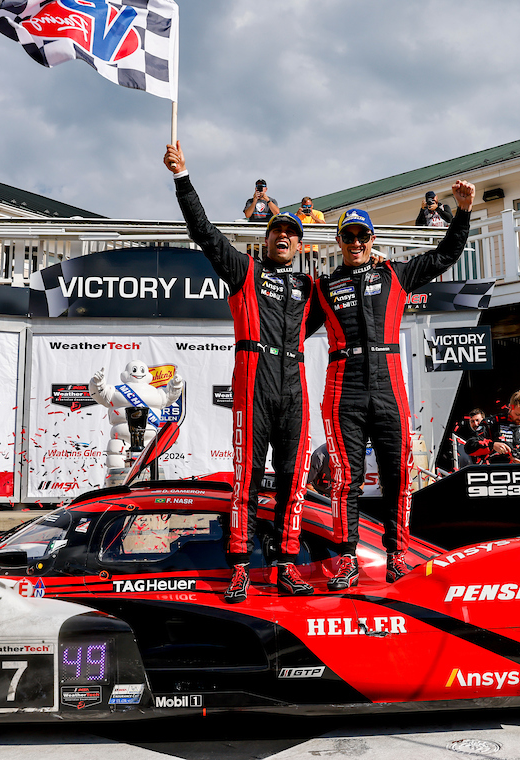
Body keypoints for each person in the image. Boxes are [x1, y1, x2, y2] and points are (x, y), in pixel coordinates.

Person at [165, 142, 315, 602]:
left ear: (300, 243)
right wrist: (182, 178)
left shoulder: (311, 287)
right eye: (276, 233)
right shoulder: (245, 270)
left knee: (293, 478)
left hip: (294, 382)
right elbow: (205, 232)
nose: (283, 238)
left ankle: (287, 564)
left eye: (291, 233)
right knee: (246, 478)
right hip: (253, 378)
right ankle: (241, 566)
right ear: (265, 240)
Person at [315, 182, 474, 589]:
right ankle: (346, 560)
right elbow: (287, 325)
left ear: (372, 239)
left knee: (397, 476)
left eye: (362, 235)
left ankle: (397, 556)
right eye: (347, 235)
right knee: (344, 478)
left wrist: (464, 211)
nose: (355, 242)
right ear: (338, 241)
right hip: (343, 389)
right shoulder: (324, 286)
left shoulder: (394, 274)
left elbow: (445, 255)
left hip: (388, 386)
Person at [466, 390, 520, 466]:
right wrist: (492, 445)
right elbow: (469, 446)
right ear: (510, 407)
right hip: (497, 476)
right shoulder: (492, 423)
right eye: (518, 414)